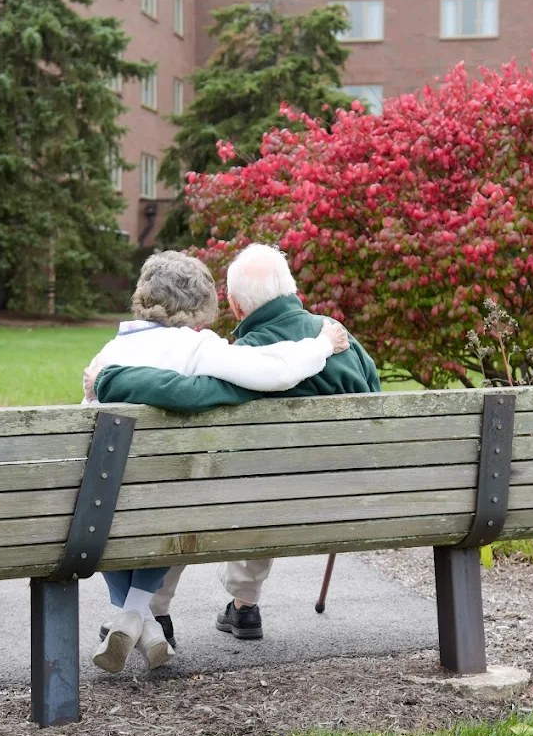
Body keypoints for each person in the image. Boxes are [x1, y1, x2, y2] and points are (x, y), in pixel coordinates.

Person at [90, 243, 381, 643]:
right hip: (359, 496)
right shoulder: (340, 337)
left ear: (237, 306)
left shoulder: (242, 354)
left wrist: (109, 380)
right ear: (290, 288)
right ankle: (244, 607)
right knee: (269, 485)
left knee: (200, 492)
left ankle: (156, 611)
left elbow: (192, 392)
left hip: (252, 499)